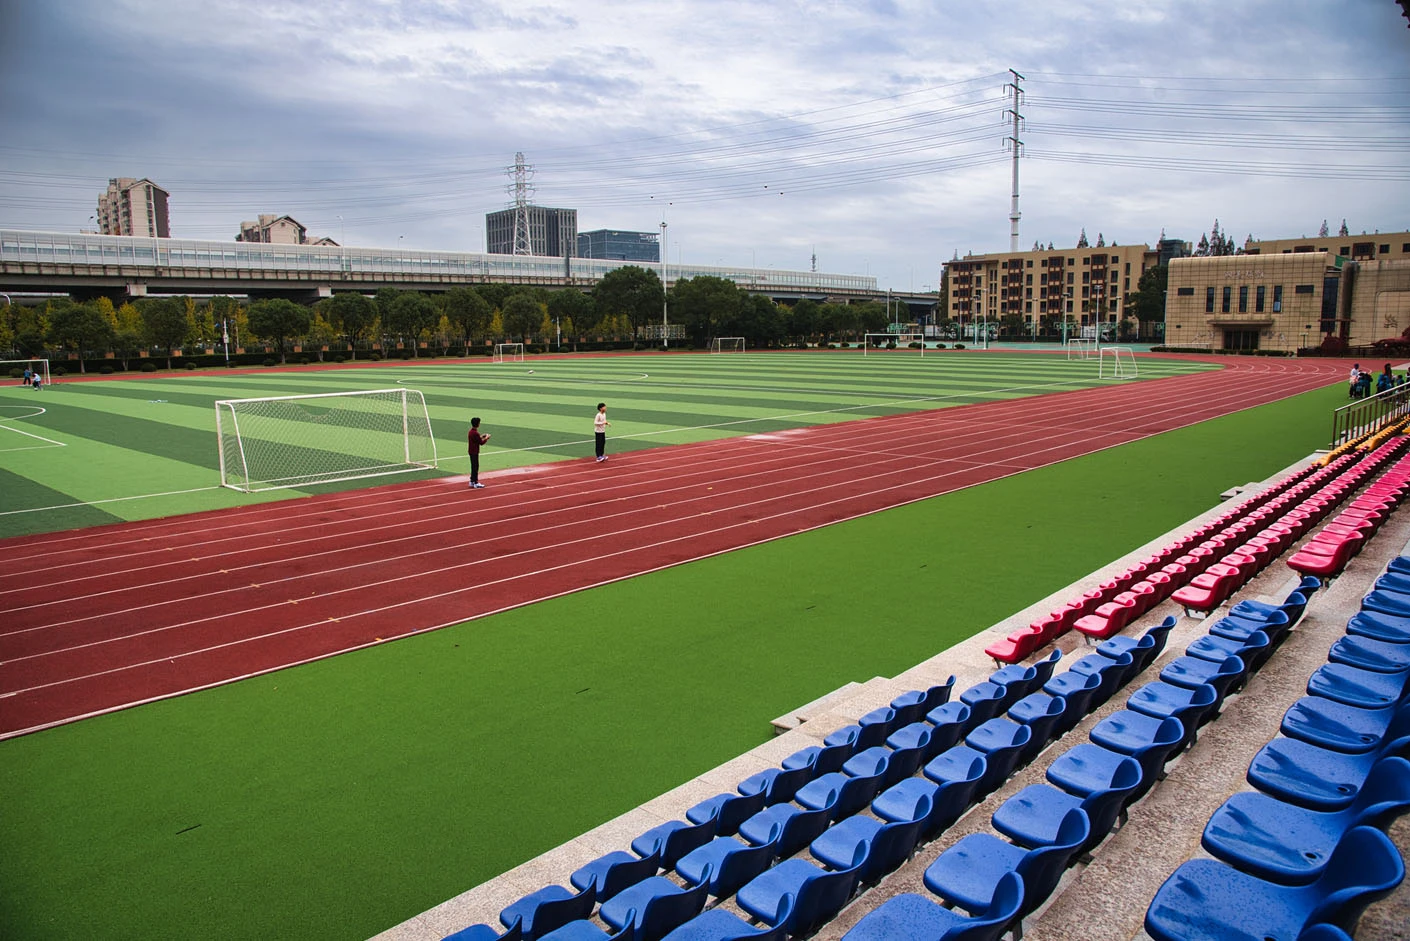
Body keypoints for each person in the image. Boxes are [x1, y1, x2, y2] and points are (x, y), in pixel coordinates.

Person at [467, 416, 490, 489]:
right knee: (475, 467)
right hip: (474, 452)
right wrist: (486, 438)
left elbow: (476, 439)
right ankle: (475, 482)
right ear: (478, 424)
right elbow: (481, 443)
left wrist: (482, 436)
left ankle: (472, 481)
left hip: (471, 451)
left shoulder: (471, 432)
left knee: (473, 466)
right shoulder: (475, 433)